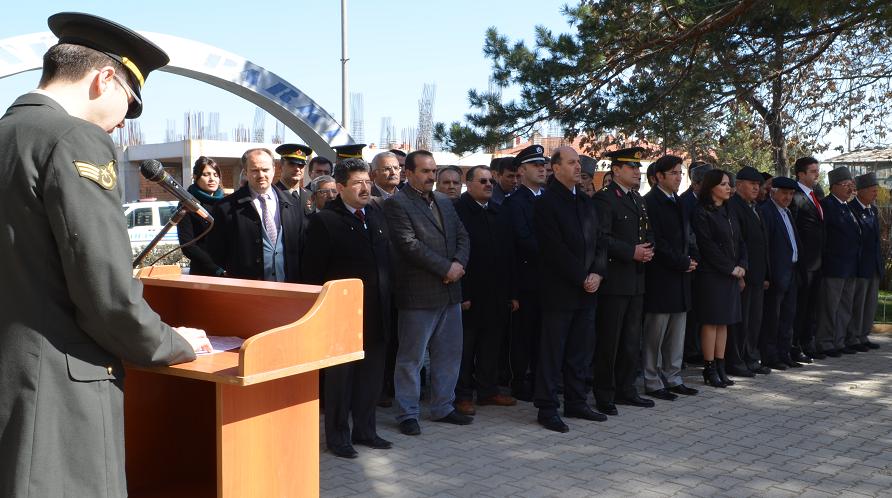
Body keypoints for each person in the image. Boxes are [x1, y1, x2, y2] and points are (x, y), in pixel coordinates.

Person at [0, 13, 210, 498]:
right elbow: (107, 294)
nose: (120, 123)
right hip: (56, 400)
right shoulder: (74, 139)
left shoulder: (9, 133)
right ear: (105, 78)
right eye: (129, 106)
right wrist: (174, 342)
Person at [302, 158, 393, 459]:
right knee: (341, 380)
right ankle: (338, 437)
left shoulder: (376, 215)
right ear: (340, 187)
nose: (365, 188)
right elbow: (312, 274)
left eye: (367, 182)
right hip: (341, 317)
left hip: (377, 312)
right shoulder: (325, 222)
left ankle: (366, 430)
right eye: (357, 183)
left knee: (371, 377)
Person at [383, 150, 471, 435]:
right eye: (425, 171)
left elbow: (463, 236)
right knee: (411, 358)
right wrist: (446, 268)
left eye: (433, 171)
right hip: (418, 295)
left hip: (450, 293)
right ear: (408, 173)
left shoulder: (444, 201)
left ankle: (443, 406)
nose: (431, 176)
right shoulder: (397, 204)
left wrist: (458, 265)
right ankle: (407, 413)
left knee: (449, 354)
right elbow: (408, 245)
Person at [533, 146, 607, 433]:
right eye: (572, 162)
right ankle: (547, 407)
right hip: (559, 290)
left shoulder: (586, 202)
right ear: (556, 168)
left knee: (580, 350)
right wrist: (582, 276)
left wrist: (597, 273)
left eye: (579, 163)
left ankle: (576, 401)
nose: (578, 167)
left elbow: (600, 242)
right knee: (553, 352)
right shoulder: (546, 203)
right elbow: (554, 249)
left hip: (588, 290)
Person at [592, 147, 656, 415]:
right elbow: (601, 237)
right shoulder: (605, 199)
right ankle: (604, 394)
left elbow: (646, 231)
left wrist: (648, 249)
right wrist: (631, 252)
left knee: (631, 340)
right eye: (631, 167)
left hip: (636, 280)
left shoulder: (637, 198)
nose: (637, 172)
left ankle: (626, 389)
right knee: (610, 341)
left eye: (638, 168)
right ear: (616, 170)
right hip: (615, 281)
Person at [453, 166, 519, 414]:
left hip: (497, 294)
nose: (489, 184)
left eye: (491, 180)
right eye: (482, 181)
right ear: (468, 184)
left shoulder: (499, 211)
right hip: (470, 294)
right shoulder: (457, 211)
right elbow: (454, 255)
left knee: (491, 346)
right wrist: (462, 294)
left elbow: (510, 254)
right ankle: (461, 395)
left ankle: (488, 391)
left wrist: (512, 293)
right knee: (465, 349)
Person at [642, 155, 700, 400]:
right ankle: (652, 380)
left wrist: (693, 257)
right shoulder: (649, 203)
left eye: (680, 173)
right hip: (661, 277)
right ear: (659, 176)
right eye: (674, 173)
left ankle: (673, 377)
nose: (678, 178)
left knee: (677, 333)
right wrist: (680, 261)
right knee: (655, 334)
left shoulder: (679, 202)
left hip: (682, 277)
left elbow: (689, 235)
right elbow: (656, 241)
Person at [209, 148, 305, 282]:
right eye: (255, 170)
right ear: (245, 172)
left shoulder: (292, 204)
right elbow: (216, 252)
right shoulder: (225, 208)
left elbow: (301, 248)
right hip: (247, 289)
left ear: (273, 170)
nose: (261, 175)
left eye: (265, 170)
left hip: (288, 288)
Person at [691, 169, 747, 388]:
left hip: (731, 274)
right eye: (723, 184)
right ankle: (709, 367)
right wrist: (730, 268)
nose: (728, 188)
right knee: (711, 322)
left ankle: (721, 365)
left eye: (728, 184)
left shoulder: (729, 210)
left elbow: (740, 241)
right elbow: (707, 246)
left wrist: (742, 265)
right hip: (712, 275)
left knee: (724, 322)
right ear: (711, 187)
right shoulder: (702, 212)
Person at [503, 145, 548, 401]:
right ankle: (520, 381)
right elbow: (522, 240)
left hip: (549, 279)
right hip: (526, 280)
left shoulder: (548, 197)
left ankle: (540, 379)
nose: (541, 169)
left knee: (544, 334)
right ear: (521, 170)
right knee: (523, 335)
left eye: (543, 165)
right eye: (535, 165)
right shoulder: (515, 202)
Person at [725, 167, 771, 375]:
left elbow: (763, 243)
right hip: (742, 274)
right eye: (752, 184)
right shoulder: (733, 206)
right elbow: (737, 243)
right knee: (740, 321)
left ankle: (751, 357)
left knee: (754, 321)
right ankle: (736, 361)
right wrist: (740, 273)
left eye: (758, 185)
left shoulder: (755, 207)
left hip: (758, 275)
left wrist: (766, 274)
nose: (756, 188)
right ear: (739, 184)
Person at [816, 167, 861, 357]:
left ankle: (839, 341)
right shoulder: (826, 205)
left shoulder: (846, 206)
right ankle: (825, 342)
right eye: (846, 185)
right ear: (834, 186)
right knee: (830, 307)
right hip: (833, 266)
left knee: (844, 307)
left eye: (851, 185)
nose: (850, 189)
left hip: (850, 267)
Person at [759, 177, 802, 370]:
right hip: (776, 273)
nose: (788, 197)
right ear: (773, 192)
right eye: (784, 193)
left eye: (791, 194)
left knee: (788, 316)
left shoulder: (787, 212)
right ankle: (770, 356)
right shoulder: (766, 211)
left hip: (791, 272)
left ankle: (784, 353)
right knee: (772, 317)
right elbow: (765, 246)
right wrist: (767, 275)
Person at [789, 156, 825, 361]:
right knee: (800, 306)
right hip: (803, 262)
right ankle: (795, 345)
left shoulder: (814, 195)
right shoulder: (795, 197)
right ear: (800, 174)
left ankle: (807, 342)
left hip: (817, 261)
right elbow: (794, 230)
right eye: (812, 171)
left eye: (817, 171)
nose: (817, 175)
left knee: (811, 305)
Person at [679, 162, 713, 365]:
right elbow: (689, 234)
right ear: (696, 184)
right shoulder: (686, 202)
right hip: (693, 263)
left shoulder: (708, 202)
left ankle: (697, 347)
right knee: (691, 311)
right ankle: (690, 349)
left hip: (707, 265)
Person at [850, 172, 884, 351]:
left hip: (873, 265)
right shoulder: (852, 209)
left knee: (870, 304)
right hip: (860, 265)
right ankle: (853, 337)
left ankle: (863, 335)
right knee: (858, 304)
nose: (876, 194)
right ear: (861, 191)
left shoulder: (873, 210)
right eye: (873, 190)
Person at [178, 156, 226, 276]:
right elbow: (188, 245)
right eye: (206, 175)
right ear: (195, 177)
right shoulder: (188, 204)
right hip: (203, 272)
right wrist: (215, 269)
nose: (212, 179)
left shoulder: (226, 202)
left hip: (228, 270)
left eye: (215, 175)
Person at [274, 143, 313, 214]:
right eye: (291, 164)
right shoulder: (272, 194)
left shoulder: (309, 195)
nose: (297, 169)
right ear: (281, 166)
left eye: (301, 165)